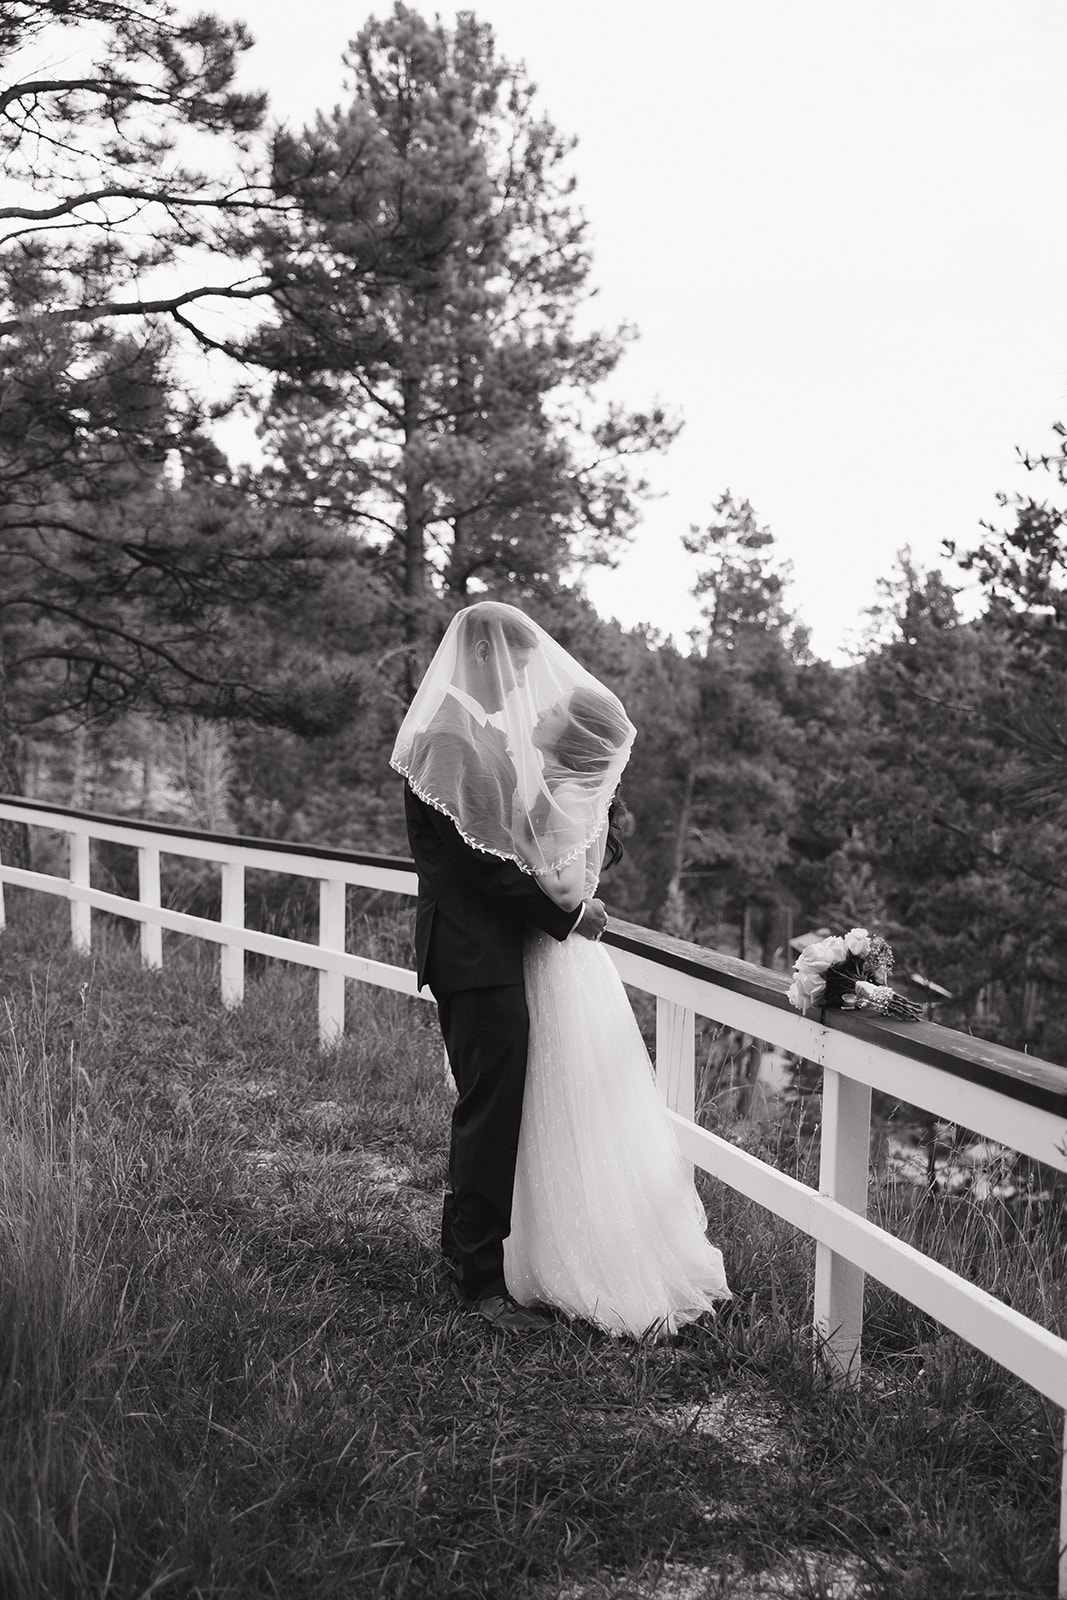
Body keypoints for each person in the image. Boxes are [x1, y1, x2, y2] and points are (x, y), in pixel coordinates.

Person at [390, 602, 608, 1333]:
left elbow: (519, 839)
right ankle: (476, 1283)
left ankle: (467, 1256)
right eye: (517, 665)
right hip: (472, 952)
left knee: (491, 1107)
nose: (523, 680)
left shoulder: (476, 733)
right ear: (485, 655)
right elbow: (478, 865)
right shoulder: (449, 737)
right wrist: (568, 915)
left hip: (488, 951)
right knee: (488, 1114)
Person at [503, 682, 732, 1338]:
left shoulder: (568, 796)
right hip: (561, 959)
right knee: (554, 1108)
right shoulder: (567, 790)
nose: (540, 714)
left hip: (556, 962)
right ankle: (545, 1245)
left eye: (552, 711)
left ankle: (591, 1264)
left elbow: (564, 886)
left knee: (565, 1107)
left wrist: (511, 853)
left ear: (572, 735)